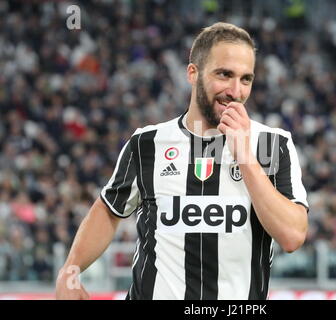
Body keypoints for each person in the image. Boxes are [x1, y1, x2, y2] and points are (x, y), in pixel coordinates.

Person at [55, 22, 309, 300]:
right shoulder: (147, 143)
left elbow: (292, 236)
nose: (235, 91)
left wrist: (245, 156)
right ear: (192, 73)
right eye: (224, 74)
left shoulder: (273, 144)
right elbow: (108, 209)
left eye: (245, 79)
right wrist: (71, 269)